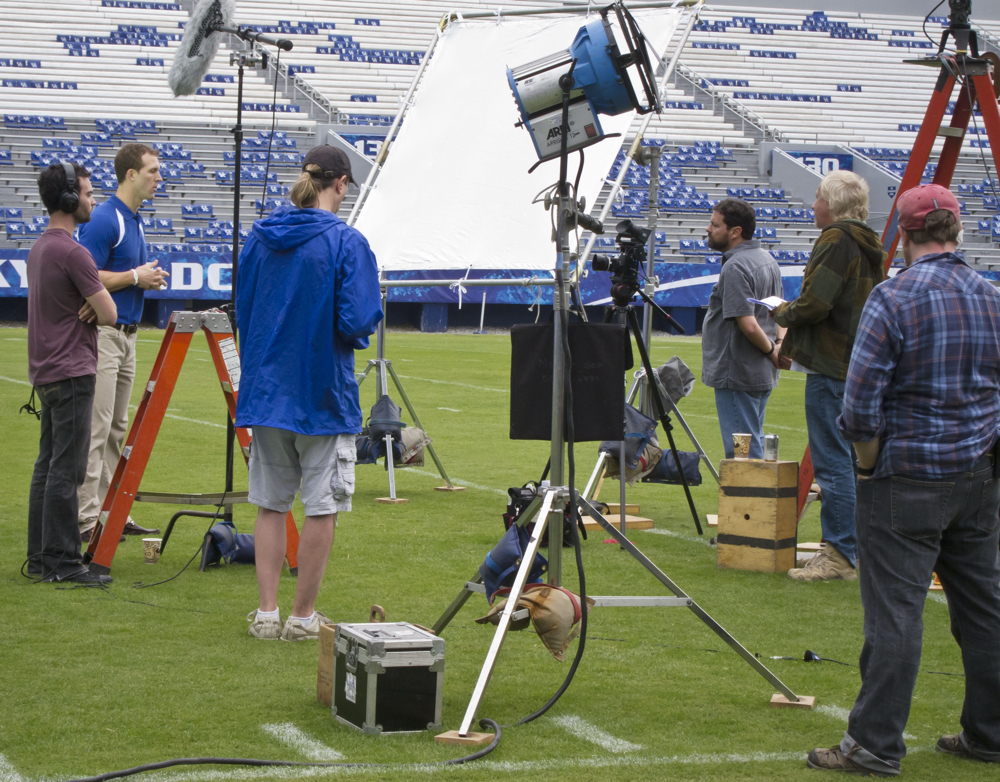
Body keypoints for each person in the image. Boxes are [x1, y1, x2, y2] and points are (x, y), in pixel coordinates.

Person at [807, 185, 1000, 775]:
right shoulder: (992, 296)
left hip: (906, 476)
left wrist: (866, 464)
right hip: (977, 476)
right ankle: (990, 732)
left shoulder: (893, 298)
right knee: (986, 608)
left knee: (895, 614)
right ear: (956, 231)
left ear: (906, 232)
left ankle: (873, 744)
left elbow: (860, 408)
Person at [237, 146, 383, 641]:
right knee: (322, 505)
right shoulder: (346, 241)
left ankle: (266, 612)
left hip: (269, 389)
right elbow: (358, 318)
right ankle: (302, 617)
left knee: (271, 504)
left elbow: (246, 309)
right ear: (340, 184)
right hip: (321, 390)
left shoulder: (260, 237)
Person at [773, 171, 886, 582]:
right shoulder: (867, 241)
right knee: (853, 462)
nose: (813, 205)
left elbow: (816, 302)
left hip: (832, 363)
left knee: (832, 461)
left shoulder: (836, 238)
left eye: (818, 198)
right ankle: (849, 549)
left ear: (833, 204)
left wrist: (781, 312)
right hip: (858, 363)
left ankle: (839, 554)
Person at [26, 163, 118, 584]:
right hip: (73, 370)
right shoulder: (73, 251)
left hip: (46, 373)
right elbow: (110, 313)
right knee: (69, 470)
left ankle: (42, 556)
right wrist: (94, 303)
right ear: (68, 199)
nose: (92, 199)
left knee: (47, 466)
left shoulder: (41, 248)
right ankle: (64, 562)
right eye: (85, 192)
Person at [76, 143, 168, 542]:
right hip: (105, 335)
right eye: (152, 171)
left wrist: (142, 277)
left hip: (126, 335)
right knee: (97, 429)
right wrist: (135, 277)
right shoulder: (105, 218)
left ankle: (109, 514)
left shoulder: (133, 218)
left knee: (116, 428)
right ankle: (85, 519)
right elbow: (83, 273)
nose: (158, 178)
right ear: (130, 174)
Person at [701, 199, 785, 459]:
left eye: (715, 225)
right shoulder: (766, 258)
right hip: (758, 372)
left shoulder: (736, 266)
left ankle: (752, 499)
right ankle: (757, 496)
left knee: (743, 453)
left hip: (738, 371)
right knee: (752, 441)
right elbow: (782, 310)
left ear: (735, 231)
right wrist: (780, 345)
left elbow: (748, 325)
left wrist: (773, 350)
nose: (708, 229)